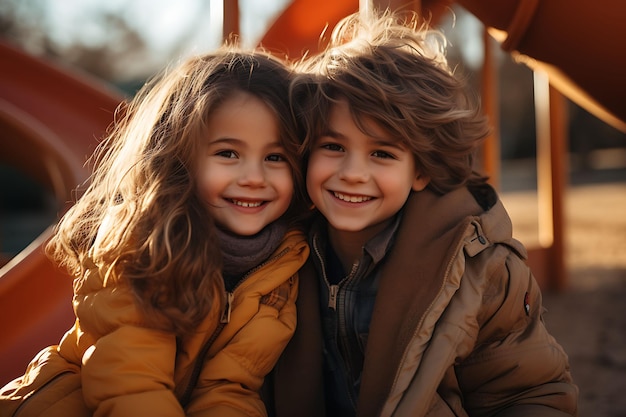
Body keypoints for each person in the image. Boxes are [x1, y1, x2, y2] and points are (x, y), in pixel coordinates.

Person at [264, 10, 579, 417]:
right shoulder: (277, 253)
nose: (353, 173)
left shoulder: (478, 268)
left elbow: (526, 394)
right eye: (333, 147)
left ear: (421, 171)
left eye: (382, 153)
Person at [0, 46, 309, 417]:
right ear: (179, 158)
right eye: (228, 153)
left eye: (275, 158)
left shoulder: (280, 265)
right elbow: (129, 380)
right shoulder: (141, 242)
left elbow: (230, 388)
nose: (254, 178)